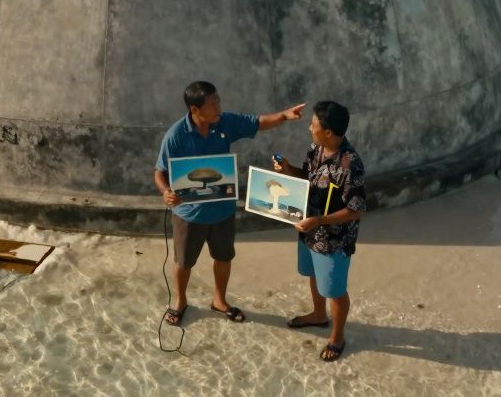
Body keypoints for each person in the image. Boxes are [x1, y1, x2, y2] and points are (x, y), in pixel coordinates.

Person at [154, 81, 304, 326]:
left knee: (223, 257)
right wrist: (166, 191)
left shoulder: (224, 123)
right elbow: (159, 172)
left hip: (223, 211)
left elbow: (257, 122)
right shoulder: (175, 135)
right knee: (183, 262)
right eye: (213, 104)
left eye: (219, 102)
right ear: (195, 109)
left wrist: (284, 116)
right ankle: (180, 301)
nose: (219, 108)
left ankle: (219, 300)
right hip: (189, 214)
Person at [273, 100, 366, 362]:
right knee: (313, 274)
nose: (309, 129)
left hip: (334, 240)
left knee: (335, 290)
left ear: (328, 132)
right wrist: (287, 169)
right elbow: (307, 177)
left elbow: (356, 209)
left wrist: (319, 220)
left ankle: (337, 337)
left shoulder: (350, 165)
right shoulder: (316, 148)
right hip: (309, 230)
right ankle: (317, 315)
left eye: (312, 125)